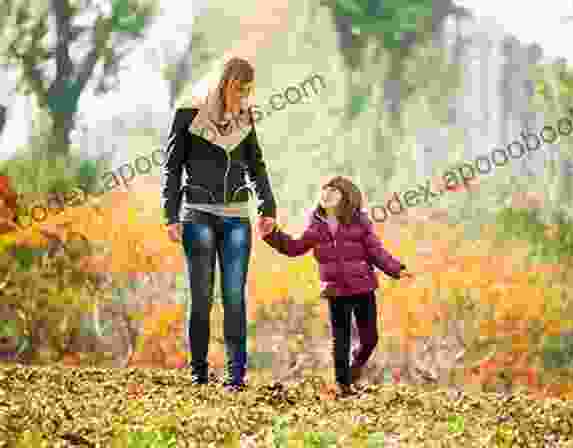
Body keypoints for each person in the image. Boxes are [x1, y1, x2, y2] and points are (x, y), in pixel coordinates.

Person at [161, 57, 277, 389]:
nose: (242, 96)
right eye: (239, 88)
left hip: (237, 217)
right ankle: (198, 373)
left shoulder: (245, 117)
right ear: (225, 82)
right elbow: (172, 166)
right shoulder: (188, 114)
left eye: (247, 91)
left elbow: (256, 164)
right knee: (201, 296)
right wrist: (170, 214)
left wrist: (268, 206)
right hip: (196, 213)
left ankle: (235, 378)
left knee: (233, 297)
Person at [258, 176, 414, 396]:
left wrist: (397, 269)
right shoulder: (316, 226)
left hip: (363, 287)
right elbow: (294, 247)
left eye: (333, 191)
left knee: (370, 339)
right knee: (340, 340)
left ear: (346, 197)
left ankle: (354, 369)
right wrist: (273, 235)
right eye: (325, 190)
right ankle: (343, 385)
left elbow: (376, 251)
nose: (327, 194)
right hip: (336, 290)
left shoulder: (360, 222)